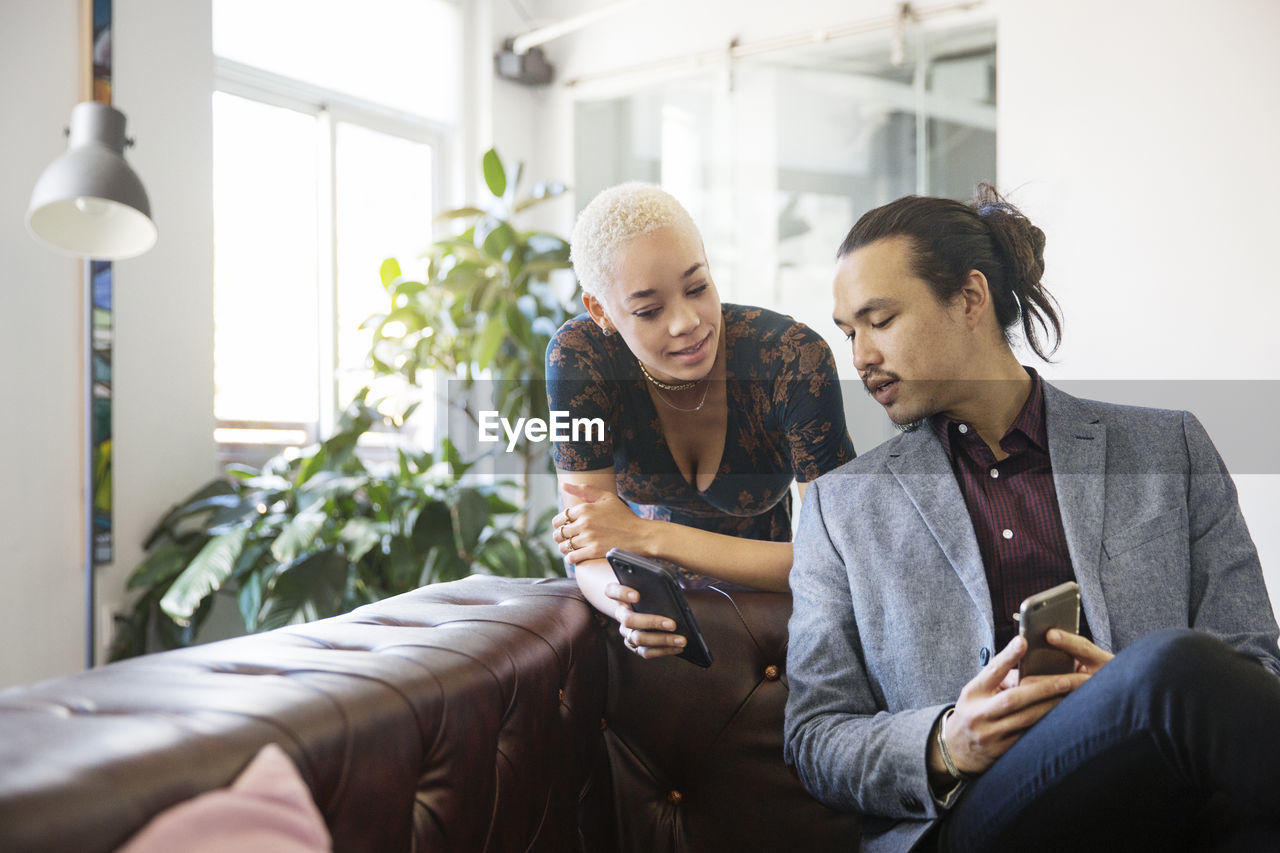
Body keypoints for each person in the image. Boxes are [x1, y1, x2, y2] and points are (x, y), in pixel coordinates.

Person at [783, 186, 1280, 852]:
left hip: (1169, 802)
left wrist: (1129, 699)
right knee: (1176, 668)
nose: (861, 355)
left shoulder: (1168, 448)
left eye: (879, 319)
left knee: (1182, 685)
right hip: (979, 820)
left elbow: (1251, 668)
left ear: (969, 298)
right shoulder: (840, 509)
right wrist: (947, 742)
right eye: (850, 332)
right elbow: (814, 734)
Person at [546, 182, 855, 659]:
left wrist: (645, 534)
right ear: (601, 311)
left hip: (770, 623)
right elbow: (587, 544)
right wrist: (625, 605)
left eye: (697, 287)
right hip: (635, 610)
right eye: (649, 311)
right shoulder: (580, 358)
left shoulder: (791, 358)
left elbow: (836, 561)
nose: (685, 322)